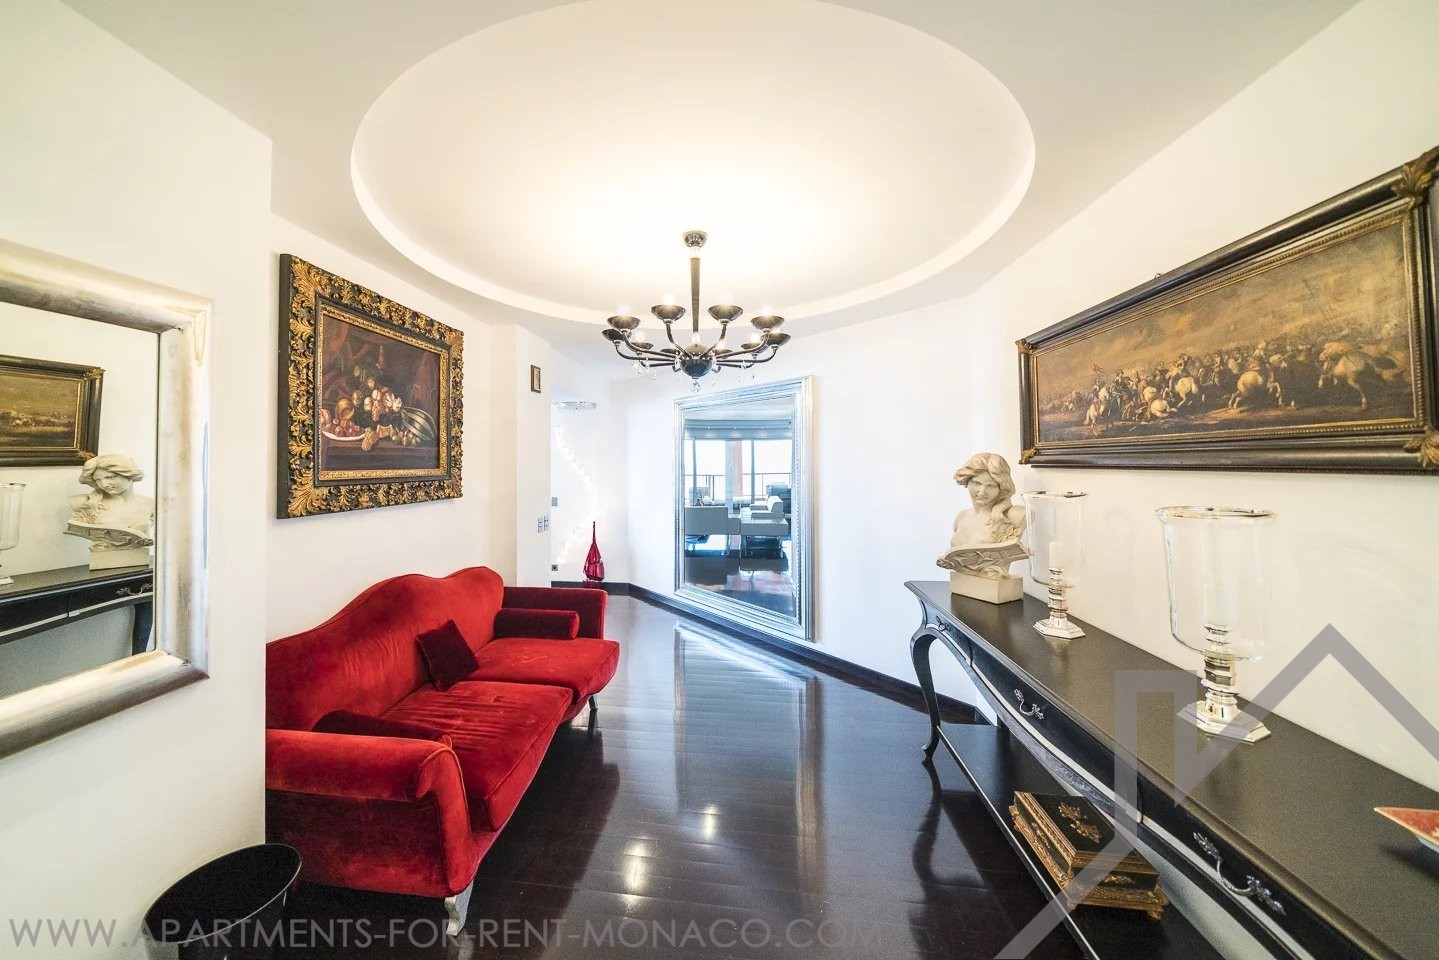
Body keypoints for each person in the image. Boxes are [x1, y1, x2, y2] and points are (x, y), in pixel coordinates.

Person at [940, 452, 1026, 580]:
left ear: (1001, 487)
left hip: (994, 587)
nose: (982, 491)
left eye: (991, 486)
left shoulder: (1015, 515)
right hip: (961, 584)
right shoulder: (961, 517)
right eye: (977, 483)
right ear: (966, 481)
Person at [66, 453, 155, 545]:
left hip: (140, 553)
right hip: (100, 553)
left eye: (110, 477)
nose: (104, 484)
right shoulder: (84, 502)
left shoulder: (152, 505)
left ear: (129, 474)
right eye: (98, 480)